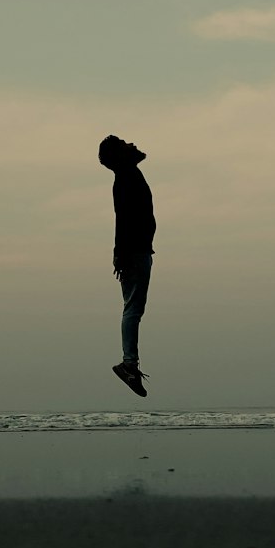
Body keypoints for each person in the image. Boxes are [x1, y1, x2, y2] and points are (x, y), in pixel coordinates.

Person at [98, 134, 155, 397]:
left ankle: (129, 363)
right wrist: (120, 252)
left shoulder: (129, 175)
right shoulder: (125, 178)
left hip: (137, 250)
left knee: (134, 308)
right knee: (133, 309)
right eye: (124, 144)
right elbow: (123, 219)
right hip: (134, 252)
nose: (131, 144)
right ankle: (128, 364)